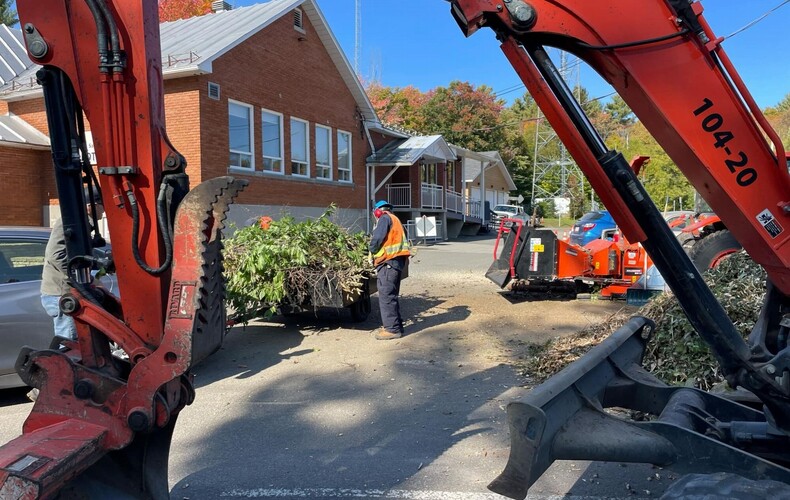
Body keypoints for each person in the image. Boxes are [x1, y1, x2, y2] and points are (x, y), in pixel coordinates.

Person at [40, 186, 104, 341]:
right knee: (70, 345)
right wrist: (80, 279)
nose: (104, 210)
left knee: (78, 344)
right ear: (91, 206)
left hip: (67, 291)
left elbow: (77, 254)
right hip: (62, 293)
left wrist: (100, 265)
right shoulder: (69, 223)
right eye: (103, 205)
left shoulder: (81, 223)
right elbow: (55, 255)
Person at [369, 200, 410, 340]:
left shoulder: (384, 218)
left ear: (377, 211)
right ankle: (396, 326)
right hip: (397, 263)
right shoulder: (395, 219)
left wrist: (370, 250)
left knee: (386, 296)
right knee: (392, 295)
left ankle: (392, 330)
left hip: (388, 262)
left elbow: (377, 239)